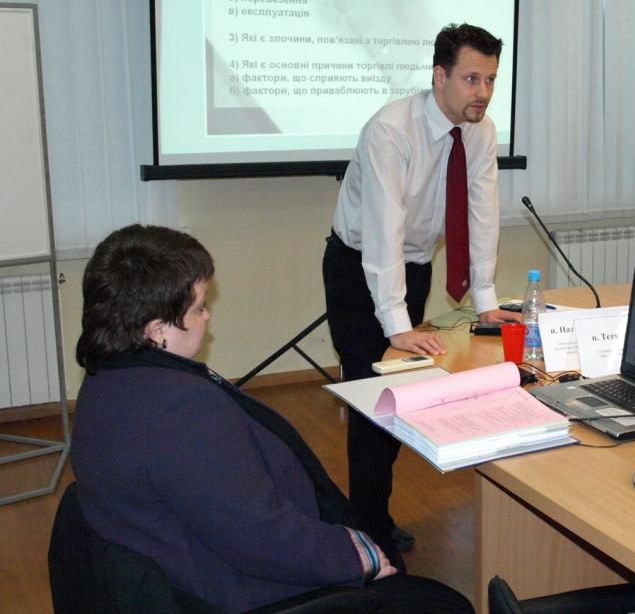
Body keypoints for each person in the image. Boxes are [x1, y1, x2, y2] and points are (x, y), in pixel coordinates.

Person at [70, 224, 472, 613]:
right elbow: (260, 538)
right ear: (156, 330)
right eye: (199, 308)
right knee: (448, 605)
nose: (207, 317)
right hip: (250, 591)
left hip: (195, 567)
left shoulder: (106, 381)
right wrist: (358, 558)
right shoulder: (177, 410)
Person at [323, 23, 521, 550]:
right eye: (472, 79)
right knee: (372, 398)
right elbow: (383, 231)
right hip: (357, 269)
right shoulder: (391, 131)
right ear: (439, 76)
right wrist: (396, 325)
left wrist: (485, 300)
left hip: (411, 267)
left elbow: (482, 214)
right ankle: (369, 531)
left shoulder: (480, 131)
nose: (483, 92)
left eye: (490, 80)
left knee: (400, 396)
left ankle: (372, 515)